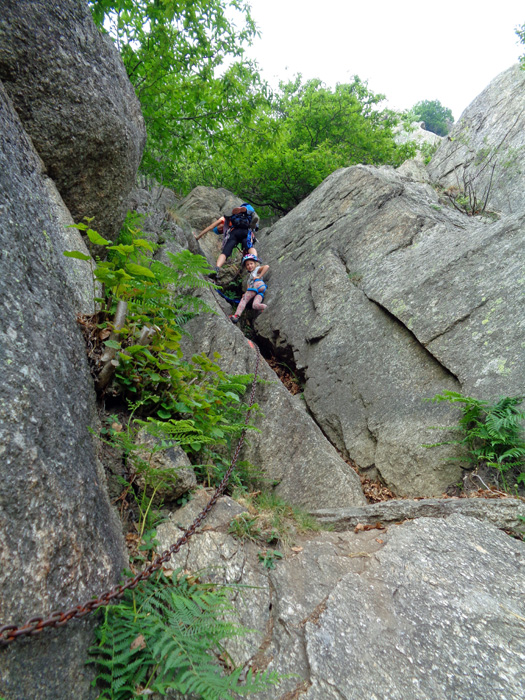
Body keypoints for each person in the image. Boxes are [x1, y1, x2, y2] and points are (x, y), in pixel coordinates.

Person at [201, 204, 259, 277]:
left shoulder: (226, 219)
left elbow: (211, 227)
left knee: (225, 252)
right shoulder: (243, 218)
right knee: (249, 247)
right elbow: (256, 228)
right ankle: (256, 261)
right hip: (245, 231)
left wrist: (198, 237)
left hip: (234, 232)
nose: (220, 228)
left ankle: (217, 268)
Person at [229, 254, 269, 323]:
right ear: (246, 267)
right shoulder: (248, 280)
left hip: (257, 284)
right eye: (247, 265)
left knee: (244, 300)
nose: (250, 266)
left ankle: (236, 316)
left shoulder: (256, 270)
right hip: (260, 290)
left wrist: (259, 276)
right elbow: (248, 290)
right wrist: (245, 294)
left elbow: (266, 267)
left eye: (251, 264)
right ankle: (266, 308)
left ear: (255, 263)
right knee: (255, 305)